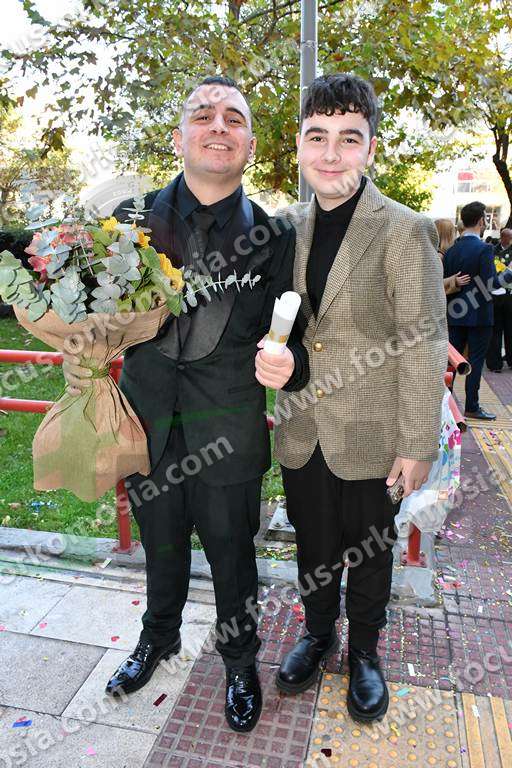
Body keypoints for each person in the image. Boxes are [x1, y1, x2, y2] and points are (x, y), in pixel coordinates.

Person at [62, 75, 309, 733]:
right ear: (179, 138)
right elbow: (90, 312)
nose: (218, 125)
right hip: (145, 424)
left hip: (229, 428)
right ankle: (158, 638)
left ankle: (239, 660)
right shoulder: (128, 220)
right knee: (160, 545)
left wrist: (287, 361)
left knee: (233, 553)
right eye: (203, 114)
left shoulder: (277, 236)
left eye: (234, 117)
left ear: (249, 144)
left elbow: (294, 334)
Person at [268, 73, 448, 723]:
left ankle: (365, 652)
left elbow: (424, 342)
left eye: (349, 138)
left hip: (376, 430)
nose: (331, 153)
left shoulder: (403, 229)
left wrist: (418, 443)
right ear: (299, 145)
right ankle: (319, 634)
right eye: (317, 136)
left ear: (370, 147)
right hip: (302, 426)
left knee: (370, 552)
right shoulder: (283, 228)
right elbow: (283, 324)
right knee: (313, 545)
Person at [444, 202, 512, 417]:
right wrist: (509, 273)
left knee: (451, 363)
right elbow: (491, 284)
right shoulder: (484, 249)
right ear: (482, 220)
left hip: (454, 314)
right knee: (475, 361)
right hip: (480, 315)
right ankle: (471, 406)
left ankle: (445, 407)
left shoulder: (451, 250)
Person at [486, 228, 512, 371]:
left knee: (510, 329)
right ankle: (495, 363)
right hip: (495, 294)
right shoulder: (492, 250)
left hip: (510, 295)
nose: (509, 240)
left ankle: (510, 359)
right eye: (507, 237)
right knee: (495, 330)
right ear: (502, 237)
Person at [434, 218, 470, 295]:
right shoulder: (439, 256)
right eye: (453, 232)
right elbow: (433, 283)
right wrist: (454, 280)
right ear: (448, 235)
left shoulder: (444, 253)